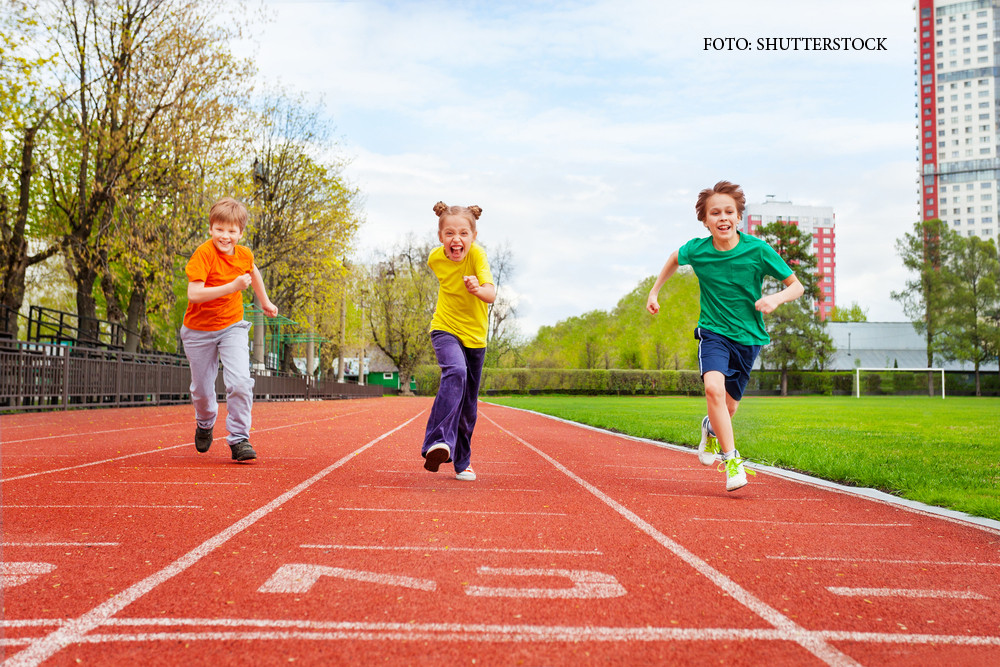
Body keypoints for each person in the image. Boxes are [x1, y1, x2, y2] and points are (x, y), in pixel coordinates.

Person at [646, 181, 803, 491]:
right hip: (714, 332)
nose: (722, 218)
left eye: (729, 211)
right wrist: (654, 291)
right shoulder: (698, 250)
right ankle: (733, 463)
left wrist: (775, 298)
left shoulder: (758, 250)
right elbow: (675, 258)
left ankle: (711, 428)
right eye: (714, 212)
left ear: (738, 217)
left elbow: (796, 286)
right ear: (705, 220)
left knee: (728, 410)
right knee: (713, 391)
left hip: (749, 338)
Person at [180, 197, 278, 463]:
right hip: (198, 331)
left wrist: (265, 301)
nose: (225, 236)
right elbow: (194, 293)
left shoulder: (244, 254)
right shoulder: (204, 254)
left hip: (232, 326)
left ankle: (239, 439)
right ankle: (205, 421)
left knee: (240, 383)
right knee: (202, 390)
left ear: (240, 233)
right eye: (220, 229)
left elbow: (253, 271)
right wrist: (232, 287)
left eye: (232, 231)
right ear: (210, 229)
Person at [421, 201, 496, 481]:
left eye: (464, 233)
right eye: (450, 233)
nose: (457, 239)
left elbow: (491, 294)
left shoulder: (477, 255)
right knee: (455, 371)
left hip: (475, 337)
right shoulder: (434, 258)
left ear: (473, 237)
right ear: (440, 237)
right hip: (444, 328)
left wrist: (477, 288)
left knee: (469, 405)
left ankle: (462, 461)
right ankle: (436, 442)